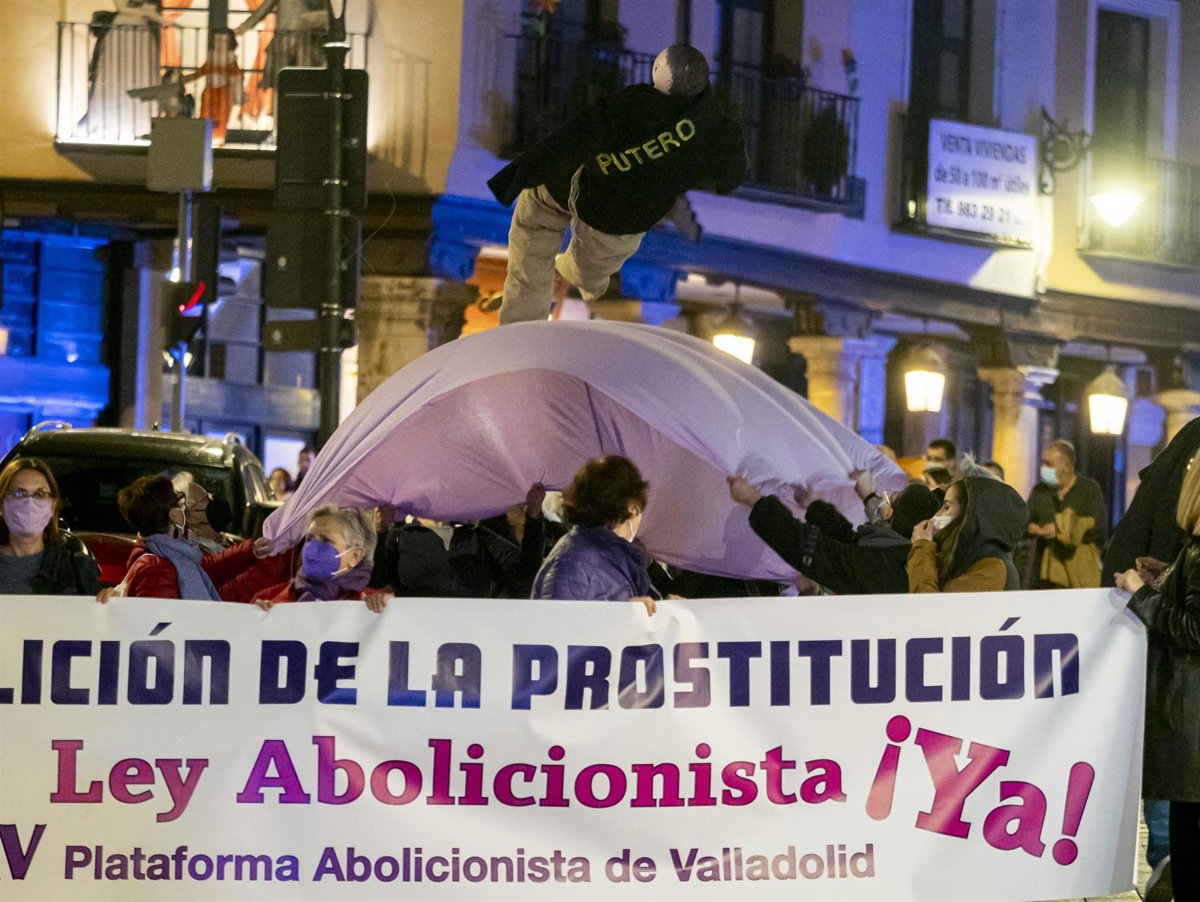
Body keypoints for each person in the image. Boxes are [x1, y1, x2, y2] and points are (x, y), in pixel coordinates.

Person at [488, 44, 746, 324]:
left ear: (658, 73)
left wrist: (513, 178)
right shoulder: (721, 133)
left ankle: (526, 311)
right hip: (619, 222)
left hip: (575, 189)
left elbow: (572, 138)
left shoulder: (629, 106)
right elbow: (729, 179)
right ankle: (559, 281)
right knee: (589, 274)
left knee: (535, 227)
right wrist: (688, 170)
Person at [1114, 450, 1200, 902]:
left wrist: (1141, 593)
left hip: (1190, 717)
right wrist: (1165, 578)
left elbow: (1194, 629)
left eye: (1189, 471)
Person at [728, 475, 940, 595]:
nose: (883, 502)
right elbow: (850, 541)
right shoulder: (896, 554)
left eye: (890, 499)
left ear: (889, 514)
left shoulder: (883, 565)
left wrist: (755, 501)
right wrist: (813, 505)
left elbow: (819, 552)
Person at [112, 475, 285, 601]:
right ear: (173, 515)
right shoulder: (156, 569)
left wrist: (251, 551)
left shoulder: (171, 553)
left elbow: (207, 569)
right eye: (179, 503)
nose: (184, 509)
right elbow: (163, 629)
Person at [372, 485, 548, 599]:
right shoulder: (399, 536)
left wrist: (533, 517)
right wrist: (380, 531)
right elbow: (376, 580)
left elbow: (525, 576)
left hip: (471, 637)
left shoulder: (477, 537)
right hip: (415, 638)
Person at [533, 457, 657, 614]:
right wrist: (622, 614)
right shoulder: (573, 561)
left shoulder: (615, 558)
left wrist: (668, 608)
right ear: (632, 508)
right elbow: (557, 622)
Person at [907, 474, 1027, 592]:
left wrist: (921, 547)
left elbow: (930, 603)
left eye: (947, 507)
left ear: (970, 516)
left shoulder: (992, 567)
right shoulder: (965, 557)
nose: (937, 515)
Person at [0, 459, 101, 596]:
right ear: (2, 504)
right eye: (18, 493)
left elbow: (96, 607)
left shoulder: (76, 568)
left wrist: (110, 601)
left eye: (40, 494)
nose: (29, 503)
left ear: (52, 506)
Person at [253, 506, 378, 606]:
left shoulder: (374, 606)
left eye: (325, 540)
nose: (311, 548)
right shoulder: (269, 599)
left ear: (354, 556)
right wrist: (259, 619)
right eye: (310, 538)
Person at [1027, 439, 1106, 588]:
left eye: (1049, 464)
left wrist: (1062, 531)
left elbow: (1099, 530)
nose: (1043, 468)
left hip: (1079, 577)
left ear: (1067, 466)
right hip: (1044, 579)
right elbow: (1025, 522)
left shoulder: (1088, 489)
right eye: (1042, 463)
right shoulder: (1039, 491)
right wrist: (1035, 530)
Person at [171, 471, 237, 553]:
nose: (211, 502)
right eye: (204, 500)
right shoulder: (196, 554)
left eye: (209, 497)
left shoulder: (227, 544)